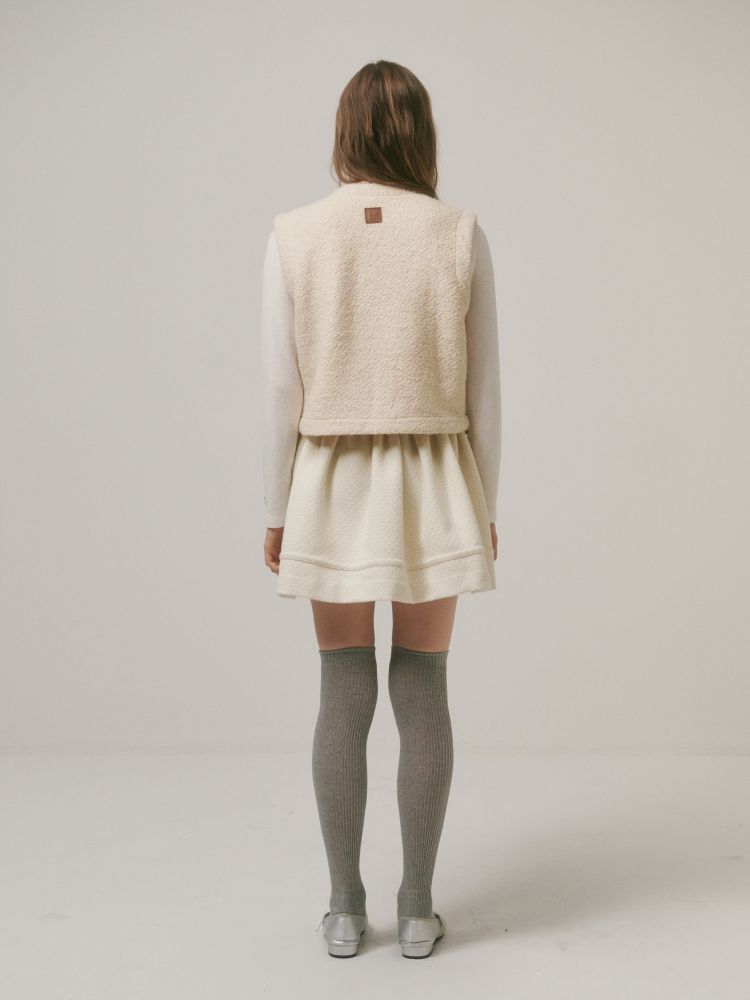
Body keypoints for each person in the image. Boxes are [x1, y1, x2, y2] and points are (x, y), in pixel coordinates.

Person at [260, 60, 501, 959]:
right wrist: (485, 504)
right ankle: (419, 907)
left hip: (330, 478)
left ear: (345, 130)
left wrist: (276, 506)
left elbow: (279, 390)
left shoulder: (294, 235)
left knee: (344, 684)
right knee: (424, 685)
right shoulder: (458, 233)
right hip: (435, 475)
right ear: (421, 133)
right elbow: (485, 391)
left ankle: (342, 906)